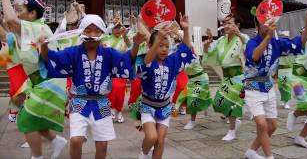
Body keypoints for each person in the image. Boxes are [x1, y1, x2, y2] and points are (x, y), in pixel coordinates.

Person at [41, 14, 145, 159]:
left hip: (101, 102)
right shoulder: (73, 52)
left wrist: (137, 45)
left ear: (102, 33)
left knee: (102, 145)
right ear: (82, 32)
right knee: (76, 140)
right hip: (79, 101)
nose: (92, 34)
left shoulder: (108, 53)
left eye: (96, 31)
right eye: (88, 30)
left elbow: (126, 60)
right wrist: (44, 47)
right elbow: (52, 59)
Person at [1, 0, 68, 158]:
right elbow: (6, 33)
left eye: (20, 11)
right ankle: (56, 141)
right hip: (40, 82)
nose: (16, 14)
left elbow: (9, 20)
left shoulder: (37, 27)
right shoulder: (29, 29)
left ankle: (37, 156)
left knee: (26, 120)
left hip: (50, 82)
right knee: (34, 119)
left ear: (32, 14)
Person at [243, 8, 307, 159]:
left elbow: (298, 45)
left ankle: (251, 151)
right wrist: (267, 38)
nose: (269, 25)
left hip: (268, 87)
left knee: (273, 126)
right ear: (257, 25)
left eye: (271, 22)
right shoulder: (252, 42)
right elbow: (255, 56)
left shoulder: (278, 43)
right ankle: (270, 157)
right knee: (262, 125)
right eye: (265, 23)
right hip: (252, 87)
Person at [137, 13, 195, 159]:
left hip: (164, 107)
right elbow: (146, 63)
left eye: (166, 46)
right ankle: (143, 154)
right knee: (151, 137)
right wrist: (157, 39)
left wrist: (186, 29)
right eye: (160, 45)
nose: (164, 49)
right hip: (147, 107)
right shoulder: (146, 61)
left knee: (161, 140)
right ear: (150, 46)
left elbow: (185, 49)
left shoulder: (172, 61)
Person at [202, 14, 248, 141]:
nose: (226, 26)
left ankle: (232, 131)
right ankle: (234, 121)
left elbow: (248, 47)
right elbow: (210, 54)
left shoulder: (242, 38)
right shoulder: (221, 40)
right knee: (218, 103)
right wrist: (206, 46)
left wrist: (239, 34)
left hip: (238, 77)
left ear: (237, 25)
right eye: (225, 23)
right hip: (226, 78)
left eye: (229, 23)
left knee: (233, 105)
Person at [286, 10, 307, 150]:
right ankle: (294, 113)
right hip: (298, 75)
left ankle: (300, 138)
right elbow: (301, 43)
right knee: (306, 103)